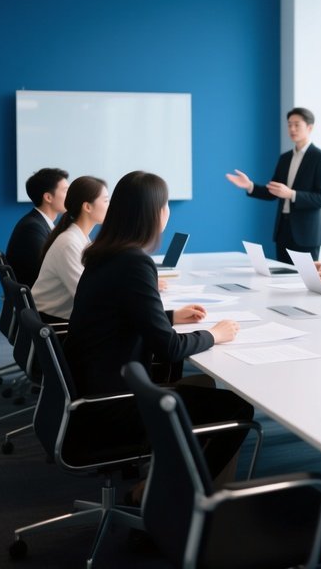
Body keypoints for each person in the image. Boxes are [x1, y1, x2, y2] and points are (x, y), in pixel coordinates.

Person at [65, 171, 253, 484]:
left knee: (203, 385)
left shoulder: (105, 254)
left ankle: (162, 482)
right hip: (114, 404)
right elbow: (169, 348)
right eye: (165, 205)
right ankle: (186, 494)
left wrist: (168, 316)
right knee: (237, 408)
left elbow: (118, 315)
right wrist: (215, 334)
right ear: (153, 213)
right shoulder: (134, 262)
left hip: (94, 389)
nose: (168, 212)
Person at [226, 107, 321, 263]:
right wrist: (250, 186)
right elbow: (273, 192)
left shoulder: (320, 158)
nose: (292, 129)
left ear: (310, 127)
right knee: (282, 281)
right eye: (289, 125)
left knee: (304, 283)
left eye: (297, 125)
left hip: (307, 235)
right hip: (283, 231)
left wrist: (292, 194)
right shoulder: (285, 158)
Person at [31, 176, 109, 323]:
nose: (109, 206)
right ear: (87, 207)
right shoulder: (69, 243)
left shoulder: (79, 238)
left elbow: (95, 280)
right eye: (105, 201)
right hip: (53, 324)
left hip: (57, 319)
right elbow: (88, 295)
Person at [6, 167, 69, 287]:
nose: (71, 196)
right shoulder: (32, 228)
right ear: (48, 197)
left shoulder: (37, 223)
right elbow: (46, 271)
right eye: (66, 191)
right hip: (41, 299)